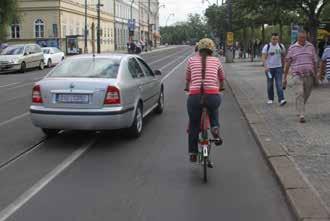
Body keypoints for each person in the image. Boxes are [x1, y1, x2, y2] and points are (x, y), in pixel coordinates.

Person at [185, 38, 225, 164]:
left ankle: (193, 152)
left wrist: (187, 88)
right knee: (214, 111)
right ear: (211, 50)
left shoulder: (191, 60)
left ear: (198, 49)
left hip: (195, 97)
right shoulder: (217, 61)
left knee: (194, 125)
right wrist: (221, 87)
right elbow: (222, 78)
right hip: (212, 96)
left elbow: (187, 79)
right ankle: (215, 128)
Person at [283, 30, 318, 123]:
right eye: (301, 38)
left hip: (309, 75)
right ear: (297, 38)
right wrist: (285, 77)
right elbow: (287, 63)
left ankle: (299, 106)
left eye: (304, 38)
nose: (303, 39)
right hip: (297, 75)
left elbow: (315, 61)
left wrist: (316, 74)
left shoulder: (310, 46)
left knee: (306, 94)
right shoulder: (292, 48)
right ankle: (302, 114)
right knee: (300, 93)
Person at [261, 33, 287, 106]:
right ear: (271, 39)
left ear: (278, 39)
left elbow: (284, 56)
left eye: (276, 39)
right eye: (273, 39)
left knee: (279, 84)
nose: (275, 40)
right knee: (270, 84)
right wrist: (266, 67)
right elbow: (263, 57)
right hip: (269, 69)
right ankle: (270, 99)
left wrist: (284, 66)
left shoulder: (281, 46)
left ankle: (281, 99)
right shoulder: (267, 47)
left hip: (278, 68)